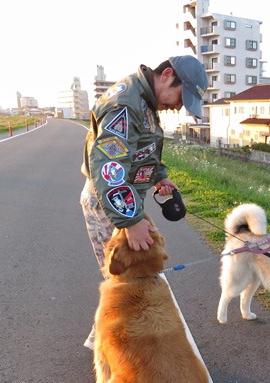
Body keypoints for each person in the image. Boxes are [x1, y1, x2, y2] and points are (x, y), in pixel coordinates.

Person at [79, 55, 207, 349]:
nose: (177, 106)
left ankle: (106, 340)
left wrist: (158, 175)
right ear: (167, 75)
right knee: (123, 278)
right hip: (109, 203)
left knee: (127, 279)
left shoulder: (144, 101)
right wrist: (131, 220)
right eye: (180, 96)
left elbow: (142, 147)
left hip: (124, 201)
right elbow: (108, 167)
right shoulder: (126, 104)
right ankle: (109, 346)